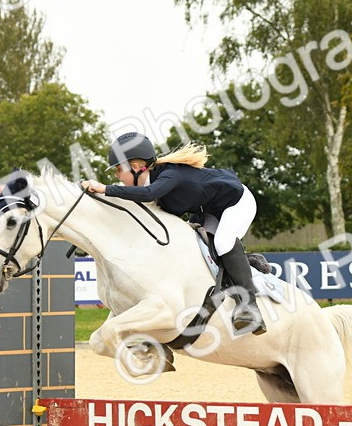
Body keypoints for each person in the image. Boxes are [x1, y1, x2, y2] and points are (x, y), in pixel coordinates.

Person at [81, 132, 266, 335]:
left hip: (237, 202)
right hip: (208, 212)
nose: (116, 176)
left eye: (118, 169)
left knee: (222, 242)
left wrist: (104, 189)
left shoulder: (169, 174)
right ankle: (248, 262)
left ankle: (250, 307)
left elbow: (148, 195)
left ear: (135, 167)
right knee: (196, 245)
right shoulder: (152, 182)